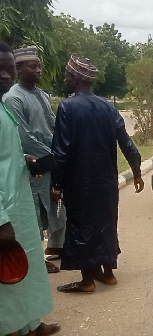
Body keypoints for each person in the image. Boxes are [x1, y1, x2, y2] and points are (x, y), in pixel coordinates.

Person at [51, 55, 144, 294]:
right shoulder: (108, 107)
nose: (65, 78)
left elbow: (61, 151)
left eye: (67, 74)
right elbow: (128, 144)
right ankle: (108, 274)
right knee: (105, 224)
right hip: (106, 183)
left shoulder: (67, 107)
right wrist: (137, 172)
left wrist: (57, 183)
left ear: (76, 78)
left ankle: (87, 281)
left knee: (82, 227)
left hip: (79, 183)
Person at [0, 42, 60, 336]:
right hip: (6, 210)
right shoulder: (12, 100)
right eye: (0, 69)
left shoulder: (4, 104)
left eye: (8, 69)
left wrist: (26, 158)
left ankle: (31, 325)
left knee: (29, 263)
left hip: (20, 197)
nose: (5, 75)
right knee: (9, 274)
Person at [2, 46, 66, 274]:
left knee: (56, 206)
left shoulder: (42, 95)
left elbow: (52, 125)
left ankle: (56, 248)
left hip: (50, 161)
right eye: (33, 66)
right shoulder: (13, 98)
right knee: (36, 213)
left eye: (39, 66)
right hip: (33, 165)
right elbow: (24, 137)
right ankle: (37, 258)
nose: (38, 70)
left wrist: (59, 150)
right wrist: (52, 156)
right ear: (19, 69)